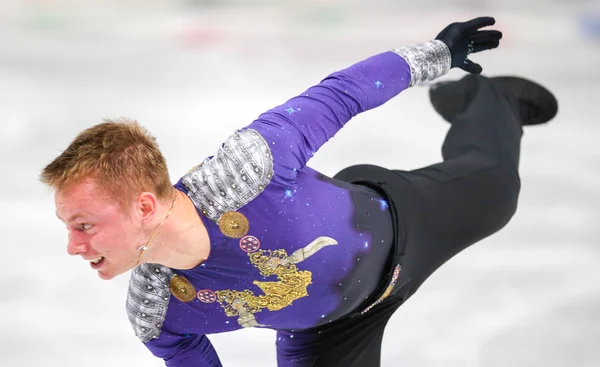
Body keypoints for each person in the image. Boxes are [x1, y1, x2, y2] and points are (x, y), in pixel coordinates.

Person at [40, 16, 558, 367]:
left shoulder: (247, 170)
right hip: (328, 337)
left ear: (145, 206)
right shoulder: (156, 315)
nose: (73, 246)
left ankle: (488, 99)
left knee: (498, 187)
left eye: (84, 224)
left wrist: (438, 54)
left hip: (401, 223)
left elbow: (340, 95)